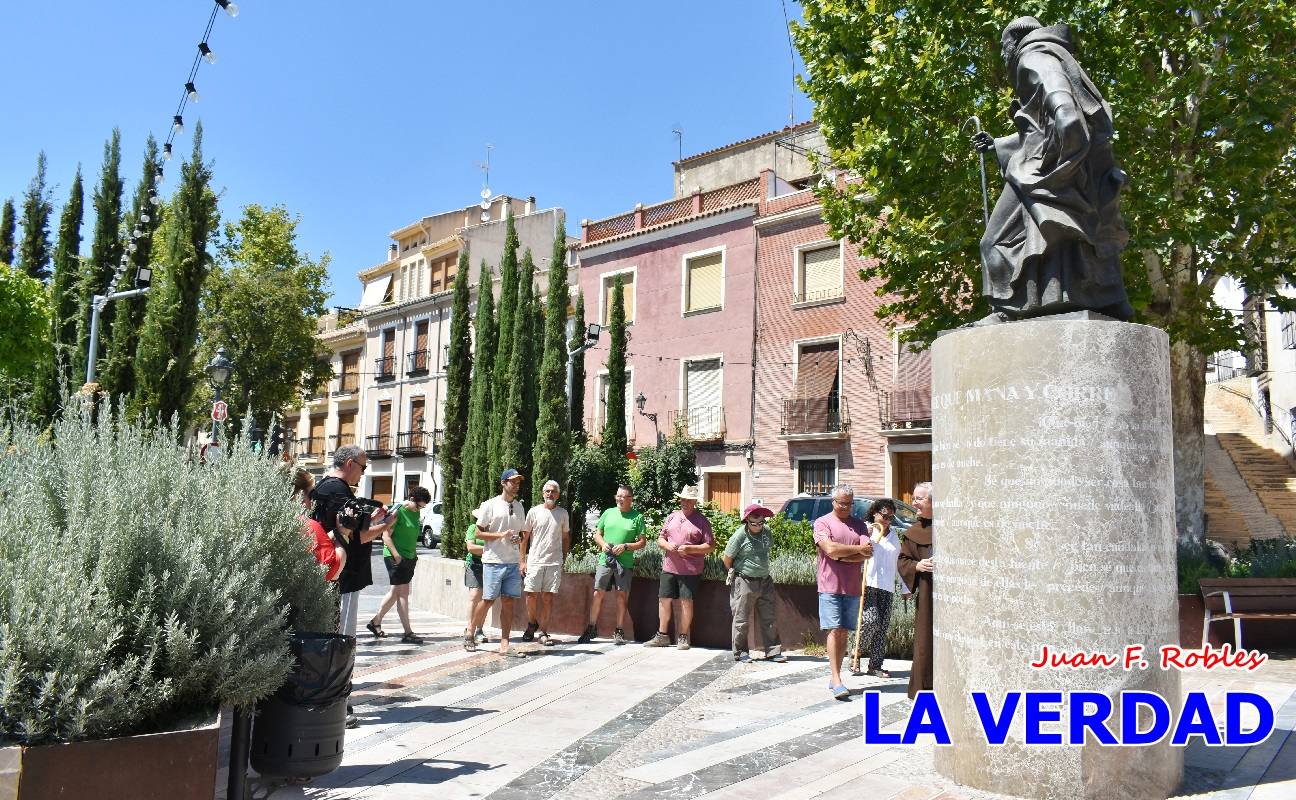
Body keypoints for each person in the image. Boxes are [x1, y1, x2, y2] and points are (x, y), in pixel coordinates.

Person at [971, 16, 1133, 321]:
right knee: (1066, 237)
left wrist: (1058, 167)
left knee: (993, 241)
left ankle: (1004, 308)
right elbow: (1038, 129)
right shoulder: (1058, 56)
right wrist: (999, 145)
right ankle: (1104, 297)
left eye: (1004, 47)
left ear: (1015, 41)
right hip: (1066, 163)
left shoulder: (1032, 58)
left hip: (1043, 168)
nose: (1004, 56)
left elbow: (1066, 113)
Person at [310, 444, 394, 640]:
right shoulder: (340, 492)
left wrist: (372, 519)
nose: (363, 473)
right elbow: (359, 536)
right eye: (363, 467)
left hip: (332, 569)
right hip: (344, 574)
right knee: (343, 635)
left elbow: (344, 527)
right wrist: (386, 525)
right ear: (350, 463)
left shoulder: (324, 485)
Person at [813, 484, 873, 700]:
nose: (846, 507)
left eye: (849, 503)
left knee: (844, 631)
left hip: (852, 586)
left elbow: (868, 552)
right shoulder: (822, 522)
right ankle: (837, 679)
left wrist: (842, 555)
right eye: (842, 503)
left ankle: (835, 674)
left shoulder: (860, 526)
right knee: (834, 630)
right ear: (833, 502)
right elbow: (828, 549)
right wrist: (853, 551)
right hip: (829, 585)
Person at [467, 469, 530, 658]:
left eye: (518, 482)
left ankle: (505, 643)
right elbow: (478, 533)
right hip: (493, 561)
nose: (516, 485)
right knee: (487, 600)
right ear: (503, 483)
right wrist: (500, 535)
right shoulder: (490, 505)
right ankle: (470, 632)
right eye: (513, 481)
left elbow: (521, 534)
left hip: (511, 562)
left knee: (509, 603)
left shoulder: (519, 507)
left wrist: (518, 542)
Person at [646, 485, 713, 650]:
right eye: (683, 499)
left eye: (688, 499)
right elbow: (660, 539)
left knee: (686, 602)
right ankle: (662, 636)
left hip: (690, 570)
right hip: (669, 567)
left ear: (694, 501)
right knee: (664, 599)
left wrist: (690, 549)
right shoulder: (671, 517)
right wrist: (668, 546)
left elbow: (710, 546)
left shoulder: (702, 521)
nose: (685, 502)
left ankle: (683, 637)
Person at [578, 485, 646, 645]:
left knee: (622, 596)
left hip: (625, 562)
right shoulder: (608, 513)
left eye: (624, 496)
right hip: (606, 560)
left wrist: (626, 546)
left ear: (631, 499)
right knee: (598, 593)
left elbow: (642, 542)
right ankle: (591, 627)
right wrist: (602, 544)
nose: (620, 499)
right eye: (618, 496)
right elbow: (597, 534)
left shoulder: (637, 517)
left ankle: (619, 630)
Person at [368, 486, 431, 644]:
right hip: (395, 556)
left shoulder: (416, 513)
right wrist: (397, 556)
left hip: (409, 557)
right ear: (411, 499)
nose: (420, 509)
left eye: (423, 506)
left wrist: (413, 556)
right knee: (402, 594)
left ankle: (375, 622)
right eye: (419, 505)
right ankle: (408, 632)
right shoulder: (399, 511)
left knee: (395, 592)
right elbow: (386, 535)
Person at [852, 498, 906, 679]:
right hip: (868, 583)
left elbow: (898, 563)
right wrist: (872, 533)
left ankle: (875, 665)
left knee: (882, 627)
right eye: (884, 515)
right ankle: (856, 653)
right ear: (875, 512)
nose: (887, 520)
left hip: (887, 586)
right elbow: (858, 552)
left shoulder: (894, 536)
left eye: (891, 517)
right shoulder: (865, 530)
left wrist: (905, 588)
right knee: (870, 620)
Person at [724, 503, 786, 663]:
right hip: (744, 580)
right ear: (746, 521)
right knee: (741, 618)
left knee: (769, 617)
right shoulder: (739, 536)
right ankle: (740, 652)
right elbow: (727, 559)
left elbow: (766, 551)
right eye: (754, 523)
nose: (758, 526)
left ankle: (773, 651)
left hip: (765, 580)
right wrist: (735, 574)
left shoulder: (767, 532)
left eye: (761, 523)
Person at [522, 480, 571, 646]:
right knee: (530, 595)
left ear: (558, 495)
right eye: (547, 491)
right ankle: (532, 622)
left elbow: (565, 538)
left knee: (548, 598)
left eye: (553, 492)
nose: (550, 494)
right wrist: (523, 560)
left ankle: (543, 632)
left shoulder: (563, 513)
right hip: (535, 560)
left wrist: (564, 558)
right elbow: (525, 537)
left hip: (554, 562)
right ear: (543, 494)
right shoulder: (533, 512)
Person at [897, 481, 934, 699]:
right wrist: (917, 566)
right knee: (925, 640)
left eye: (919, 498)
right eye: (914, 498)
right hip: (928, 592)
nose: (914, 503)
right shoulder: (914, 531)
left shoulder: (954, 525)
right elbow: (903, 559)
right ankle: (924, 688)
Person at [293, 469, 345, 581]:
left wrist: (328, 536)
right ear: (300, 496)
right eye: (311, 494)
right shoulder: (307, 525)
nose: (313, 501)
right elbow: (332, 570)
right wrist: (342, 534)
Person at [463, 520, 488, 647]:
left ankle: (479, 629)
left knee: (485, 599)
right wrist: (489, 549)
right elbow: (471, 547)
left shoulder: (494, 529)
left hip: (489, 566)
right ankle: (469, 629)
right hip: (474, 565)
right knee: (474, 595)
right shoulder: (473, 528)